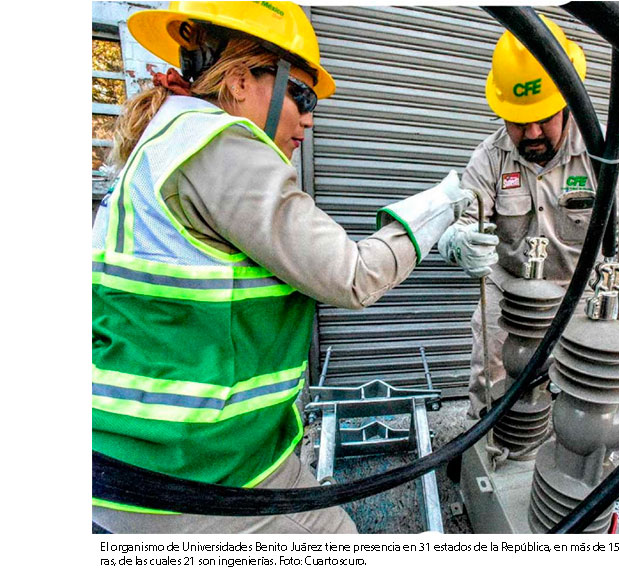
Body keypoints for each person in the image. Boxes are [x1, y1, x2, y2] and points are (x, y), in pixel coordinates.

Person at [92, 1, 476, 534]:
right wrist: (439, 206)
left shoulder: (170, 137)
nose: (310, 117)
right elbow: (352, 275)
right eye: (301, 94)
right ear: (242, 79)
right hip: (180, 475)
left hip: (193, 455)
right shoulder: (218, 143)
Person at [438, 15, 619, 420]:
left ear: (567, 104)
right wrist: (457, 241)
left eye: (545, 117)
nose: (534, 132)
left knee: (579, 404)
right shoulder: (490, 158)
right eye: (520, 122)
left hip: (580, 301)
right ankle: (482, 452)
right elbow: (462, 218)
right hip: (506, 298)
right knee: (492, 387)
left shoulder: (606, 156)